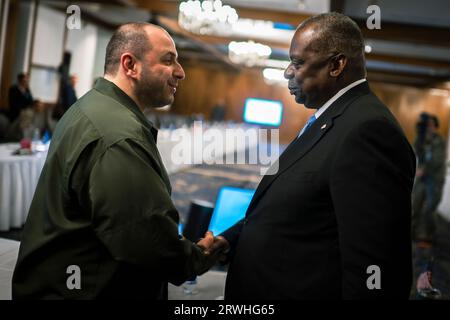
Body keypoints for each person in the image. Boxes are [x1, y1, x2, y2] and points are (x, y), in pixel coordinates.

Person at [209, 12, 416, 299]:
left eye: (298, 63)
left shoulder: (368, 131)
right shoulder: (331, 117)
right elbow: (300, 210)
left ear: (336, 65)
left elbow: (376, 265)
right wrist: (230, 240)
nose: (287, 73)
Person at [12, 22, 216, 299]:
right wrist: (200, 255)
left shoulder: (93, 105)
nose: (180, 72)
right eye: (169, 61)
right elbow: (148, 241)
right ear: (130, 65)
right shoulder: (118, 136)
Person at [412, 112, 446, 244]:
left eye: (432, 124)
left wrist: (423, 169)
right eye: (427, 125)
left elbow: (437, 160)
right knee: (416, 205)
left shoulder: (439, 141)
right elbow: (416, 154)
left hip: (434, 179)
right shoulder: (419, 139)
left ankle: (430, 237)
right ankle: (413, 233)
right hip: (422, 179)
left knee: (430, 209)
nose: (429, 127)